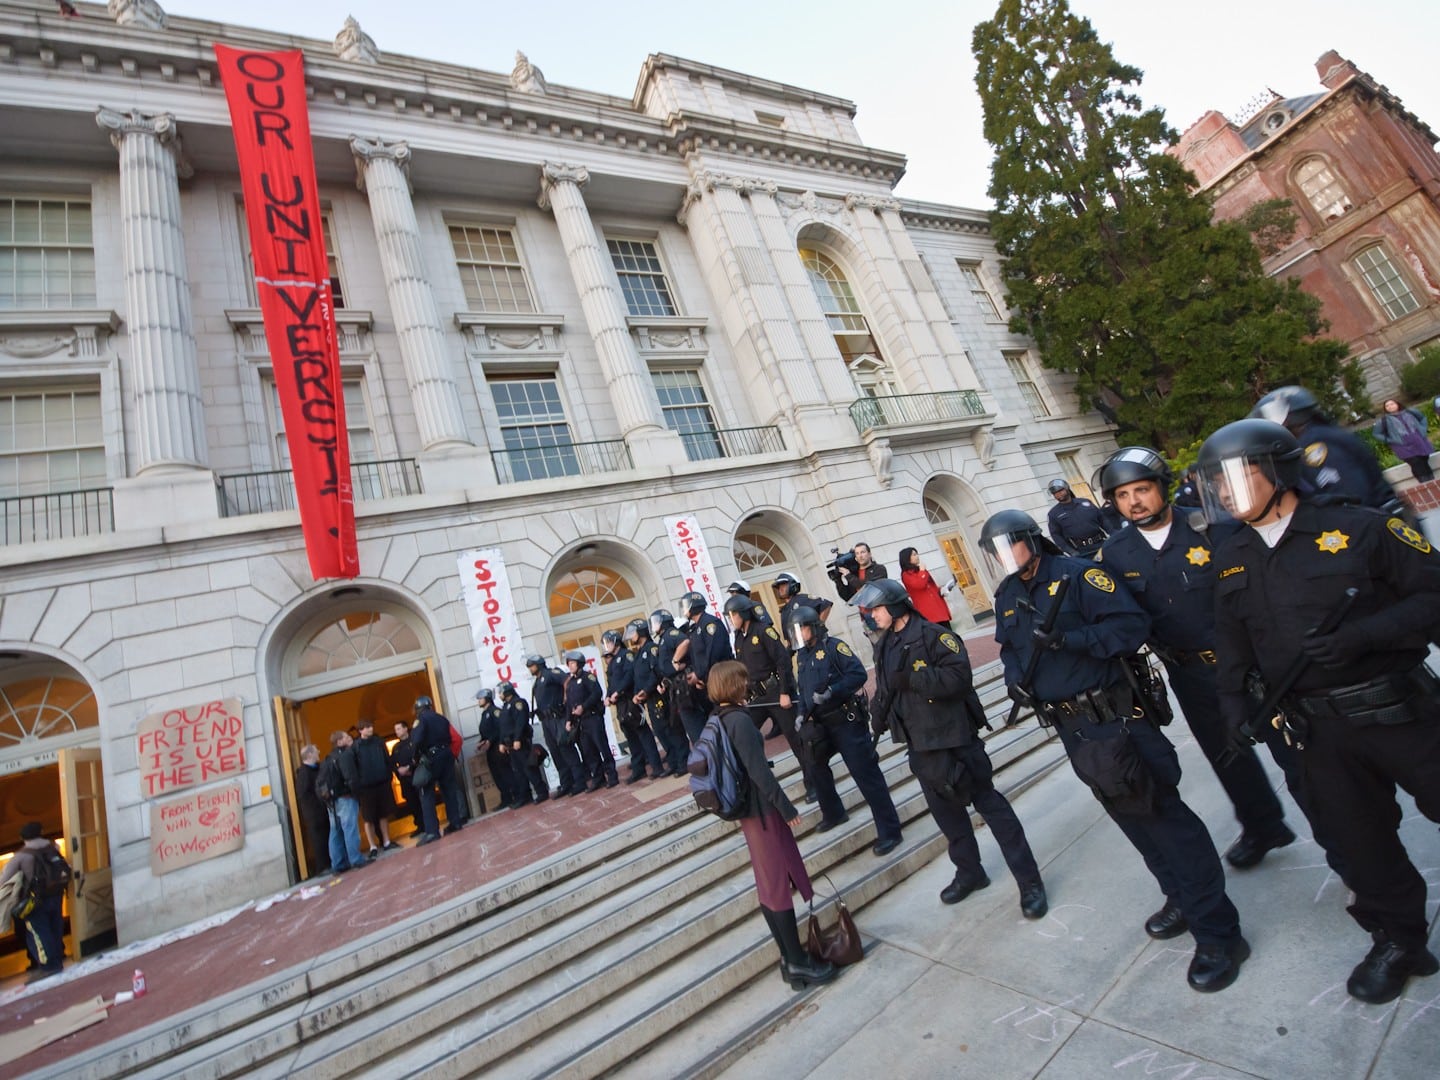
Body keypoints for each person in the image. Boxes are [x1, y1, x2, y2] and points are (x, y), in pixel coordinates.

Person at [1199, 417, 1440, 1004]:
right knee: (1358, 843)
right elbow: (1232, 645)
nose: (1227, 493)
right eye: (1217, 484)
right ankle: (1400, 940)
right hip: (1316, 731)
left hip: (1399, 709)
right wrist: (1232, 702)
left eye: (1236, 477)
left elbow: (1434, 594)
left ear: (1279, 471)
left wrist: (1368, 635)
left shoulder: (1360, 527)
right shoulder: (1229, 558)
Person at [981, 508, 1249, 993]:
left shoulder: (1079, 577)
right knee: (1130, 819)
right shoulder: (1008, 595)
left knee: (1165, 819)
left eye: (1007, 547)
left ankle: (1219, 933)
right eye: (993, 553)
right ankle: (1179, 897)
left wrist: (1071, 639)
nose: (1001, 559)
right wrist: (1016, 682)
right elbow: (1009, 651)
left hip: (1116, 718)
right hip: (1073, 728)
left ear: (1031, 540)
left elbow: (1130, 629)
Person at [1095, 446, 1301, 871]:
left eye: (1142, 489)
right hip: (1189, 671)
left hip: (1251, 663)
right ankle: (1263, 826)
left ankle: (1341, 839)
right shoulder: (1117, 553)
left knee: (1294, 752)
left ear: (1161, 489)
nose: (1134, 501)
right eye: (1122, 495)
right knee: (1228, 756)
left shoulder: (1213, 528)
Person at [854, 577, 1046, 917]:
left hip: (955, 741)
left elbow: (959, 679)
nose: (873, 616)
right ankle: (970, 872)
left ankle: (1029, 882)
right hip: (921, 746)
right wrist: (878, 718)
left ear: (896, 606)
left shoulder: (934, 636)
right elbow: (886, 688)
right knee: (948, 817)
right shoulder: (884, 644)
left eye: (878, 609)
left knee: (992, 808)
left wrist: (914, 679)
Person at [707, 659, 838, 991]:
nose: (747, 685)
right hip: (763, 811)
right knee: (777, 885)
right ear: (733, 686)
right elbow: (759, 771)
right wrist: (786, 806)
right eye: (743, 681)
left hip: (751, 814)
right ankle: (798, 960)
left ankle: (789, 959)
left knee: (769, 885)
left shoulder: (719, 719)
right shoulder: (739, 721)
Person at [793, 605, 904, 854]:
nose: (799, 633)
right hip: (820, 724)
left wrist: (834, 691)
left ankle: (890, 830)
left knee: (865, 773)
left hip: (844, 721)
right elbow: (803, 689)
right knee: (814, 766)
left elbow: (858, 675)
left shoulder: (834, 647)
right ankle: (833, 812)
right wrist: (801, 714)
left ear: (814, 626)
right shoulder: (802, 656)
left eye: (802, 628)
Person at [724, 592, 812, 801]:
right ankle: (755, 785)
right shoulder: (738, 637)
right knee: (743, 734)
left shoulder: (763, 631)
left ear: (743, 614)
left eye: (732, 615)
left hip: (777, 693)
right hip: (757, 697)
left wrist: (784, 693)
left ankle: (814, 783)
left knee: (796, 741)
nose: (731, 620)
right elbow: (743, 669)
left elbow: (783, 663)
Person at [1251, 385, 1396, 508]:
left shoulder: (1315, 444)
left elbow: (1349, 497)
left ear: (1291, 418)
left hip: (1374, 527)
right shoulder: (1322, 434)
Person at [0, 822, 65, 980]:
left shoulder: (22, 855)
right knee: (55, 925)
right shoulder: (52, 847)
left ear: (22, 837)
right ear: (41, 832)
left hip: (35, 900)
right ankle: (58, 958)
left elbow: (4, 878)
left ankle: (48, 965)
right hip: (56, 894)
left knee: (38, 932)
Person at [603, 627, 663, 783]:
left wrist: (619, 692)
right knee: (630, 737)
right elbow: (611, 682)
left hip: (630, 700)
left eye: (609, 642)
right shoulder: (612, 661)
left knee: (643, 734)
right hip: (620, 704)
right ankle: (638, 768)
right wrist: (609, 696)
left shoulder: (626, 655)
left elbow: (629, 676)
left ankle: (657, 766)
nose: (607, 645)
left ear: (616, 641)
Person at [673, 592, 734, 743]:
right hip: (709, 682)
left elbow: (713, 654)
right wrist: (699, 676)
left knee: (729, 719)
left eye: (686, 606)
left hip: (722, 679)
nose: (685, 610)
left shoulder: (710, 624)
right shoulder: (695, 628)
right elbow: (697, 658)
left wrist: (699, 675)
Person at [633, 615, 688, 777]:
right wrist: (639, 693)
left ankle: (683, 762)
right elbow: (639, 676)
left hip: (658, 695)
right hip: (649, 697)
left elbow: (656, 671)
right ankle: (673, 762)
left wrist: (648, 689)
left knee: (671, 729)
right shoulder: (639, 652)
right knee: (660, 731)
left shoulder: (651, 648)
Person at [411, 696, 467, 844]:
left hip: (431, 758)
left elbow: (416, 740)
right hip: (446, 755)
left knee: (426, 792)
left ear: (418, 709)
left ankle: (431, 831)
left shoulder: (421, 720)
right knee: (449, 789)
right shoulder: (441, 718)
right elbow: (454, 737)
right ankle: (455, 822)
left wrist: (415, 758)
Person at [528, 654, 586, 797]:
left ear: (539, 664)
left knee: (566, 748)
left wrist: (566, 698)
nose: (530, 668)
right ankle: (566, 782)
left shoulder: (550, 673)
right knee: (556, 752)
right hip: (546, 721)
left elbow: (566, 680)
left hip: (557, 718)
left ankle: (580, 780)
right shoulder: (537, 681)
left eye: (531, 665)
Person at [565, 650, 619, 790]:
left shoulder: (588, 677)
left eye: (572, 663)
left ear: (579, 663)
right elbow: (569, 703)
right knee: (589, 751)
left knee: (602, 746)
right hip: (580, 722)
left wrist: (584, 706)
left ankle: (612, 776)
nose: (570, 666)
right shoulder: (570, 683)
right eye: (569, 663)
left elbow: (597, 693)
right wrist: (569, 720)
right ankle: (598, 777)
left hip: (592, 717)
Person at [352, 719, 399, 858]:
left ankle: (386, 841)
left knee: (383, 814)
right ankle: (372, 846)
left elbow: (386, 759)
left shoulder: (379, 742)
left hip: (382, 783)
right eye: (367, 727)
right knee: (369, 818)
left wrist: (389, 776)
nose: (370, 729)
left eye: (371, 726)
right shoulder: (356, 747)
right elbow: (353, 767)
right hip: (366, 788)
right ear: (360, 730)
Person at [322, 730, 366, 871]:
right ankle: (356, 859)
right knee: (350, 829)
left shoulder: (328, 758)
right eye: (346, 737)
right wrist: (357, 793)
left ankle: (338, 863)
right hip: (346, 797)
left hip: (332, 800)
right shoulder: (345, 755)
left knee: (335, 831)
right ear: (339, 742)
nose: (349, 738)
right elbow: (351, 777)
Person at [500, 680, 549, 804]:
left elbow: (520, 722)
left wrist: (517, 739)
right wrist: (502, 742)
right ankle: (525, 796)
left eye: (501, 692)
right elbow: (503, 726)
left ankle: (541, 792)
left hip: (520, 742)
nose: (499, 695)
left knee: (529, 768)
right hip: (510, 745)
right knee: (518, 771)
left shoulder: (518, 703)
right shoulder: (505, 706)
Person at [1372, 398, 1435, 482]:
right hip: (1402, 446)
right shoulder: (1383, 420)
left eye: (1392, 404)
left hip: (1418, 441)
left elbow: (1422, 418)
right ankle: (1425, 483)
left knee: (1424, 459)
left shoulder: (1410, 412)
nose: (1390, 406)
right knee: (1416, 463)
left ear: (1397, 404)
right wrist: (1389, 439)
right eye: (1387, 406)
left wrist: (1423, 430)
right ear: (1385, 409)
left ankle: (1432, 482)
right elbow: (1376, 434)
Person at [476, 688, 519, 810]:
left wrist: (491, 740)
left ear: (487, 698)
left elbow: (501, 728)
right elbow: (487, 731)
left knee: (505, 772)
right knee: (497, 775)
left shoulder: (494, 711)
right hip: (490, 749)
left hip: (498, 746)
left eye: (480, 698)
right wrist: (482, 741)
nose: (478, 701)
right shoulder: (485, 713)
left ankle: (515, 795)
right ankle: (506, 798)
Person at [1045, 479, 1109, 557]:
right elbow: (1056, 536)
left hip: (1103, 544)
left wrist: (1114, 534)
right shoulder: (1053, 514)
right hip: (1083, 552)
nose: (1058, 494)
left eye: (1060, 491)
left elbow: (1103, 519)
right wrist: (1071, 551)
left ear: (1067, 489)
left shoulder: (1085, 502)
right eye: (1055, 493)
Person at [294, 744, 331, 876]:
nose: (318, 753)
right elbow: (304, 794)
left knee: (327, 836)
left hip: (322, 809)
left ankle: (330, 862)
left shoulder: (318, 768)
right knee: (319, 839)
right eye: (316, 751)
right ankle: (322, 867)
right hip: (314, 813)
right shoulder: (303, 773)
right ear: (309, 755)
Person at [897, 547, 953, 630]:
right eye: (914, 555)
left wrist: (942, 589)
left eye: (917, 554)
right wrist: (922, 571)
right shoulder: (906, 575)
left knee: (949, 634)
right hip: (928, 612)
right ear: (907, 558)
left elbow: (931, 587)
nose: (917, 556)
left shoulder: (920, 570)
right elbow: (920, 585)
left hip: (939, 607)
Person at [772, 572, 832, 648]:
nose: (780, 589)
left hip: (817, 642)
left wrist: (819, 626)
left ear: (793, 585)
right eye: (778, 587)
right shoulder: (784, 610)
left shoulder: (802, 599)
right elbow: (789, 634)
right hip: (801, 647)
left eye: (783, 585)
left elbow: (826, 605)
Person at [388, 721, 419, 835]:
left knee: (422, 800)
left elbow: (418, 756)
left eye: (399, 728)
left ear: (406, 729)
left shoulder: (414, 741)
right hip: (404, 780)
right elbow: (392, 763)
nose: (397, 732)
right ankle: (419, 825)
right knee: (412, 803)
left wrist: (409, 767)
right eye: (396, 730)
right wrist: (398, 771)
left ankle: (427, 824)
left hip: (416, 775)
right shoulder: (396, 747)